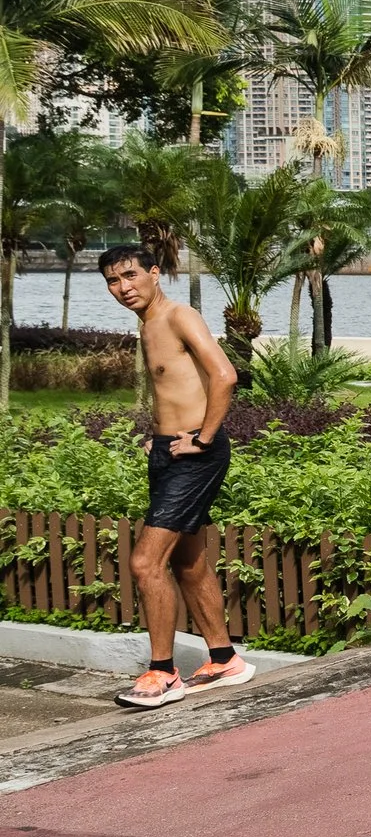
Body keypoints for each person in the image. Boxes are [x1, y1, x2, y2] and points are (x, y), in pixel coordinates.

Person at [100, 245, 246, 709]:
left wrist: (203, 438)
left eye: (130, 276)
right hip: (171, 451)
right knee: (188, 563)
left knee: (146, 563)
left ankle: (163, 673)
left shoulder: (180, 315)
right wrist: (159, 438)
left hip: (195, 456)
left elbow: (225, 375)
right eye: (113, 281)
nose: (123, 288)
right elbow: (174, 386)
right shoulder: (148, 325)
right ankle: (224, 659)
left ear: (154, 273)